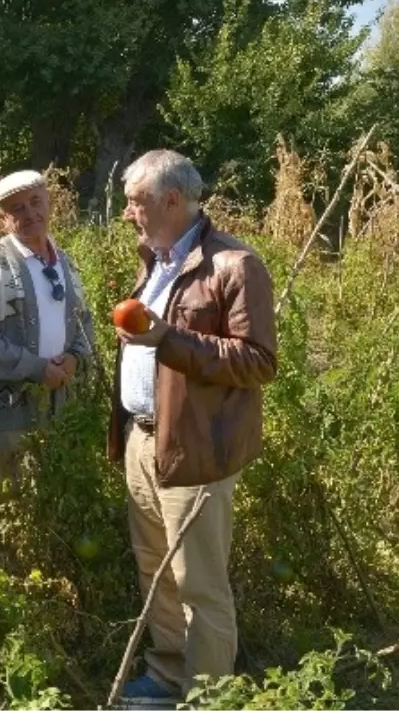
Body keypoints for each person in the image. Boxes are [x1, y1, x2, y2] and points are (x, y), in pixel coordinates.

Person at [110, 150, 278, 702]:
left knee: (199, 582)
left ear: (171, 200)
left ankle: (208, 695)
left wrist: (167, 341)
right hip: (143, 438)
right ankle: (166, 675)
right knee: (155, 567)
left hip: (197, 444)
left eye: (136, 202)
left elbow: (257, 359)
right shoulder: (157, 259)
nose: (129, 212)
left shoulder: (234, 264)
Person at [0, 170, 96, 511]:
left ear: (50, 203)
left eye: (36, 202)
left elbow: (84, 320)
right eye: (17, 209)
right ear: (2, 219)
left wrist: (75, 358)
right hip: (4, 408)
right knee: (7, 507)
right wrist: (36, 369)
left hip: (57, 405)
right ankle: (6, 565)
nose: (30, 213)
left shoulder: (65, 261)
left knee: (54, 502)